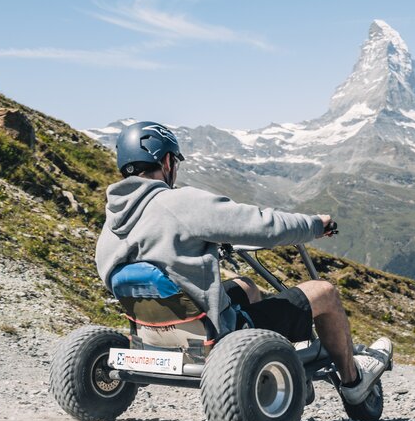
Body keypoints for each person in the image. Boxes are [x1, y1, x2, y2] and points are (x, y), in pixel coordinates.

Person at [95, 121, 389, 406]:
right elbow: (262, 225)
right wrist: (314, 225)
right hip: (213, 334)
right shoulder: (180, 202)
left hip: (154, 333)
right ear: (168, 161)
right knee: (323, 292)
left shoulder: (113, 223)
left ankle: (284, 361)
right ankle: (353, 382)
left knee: (245, 287)